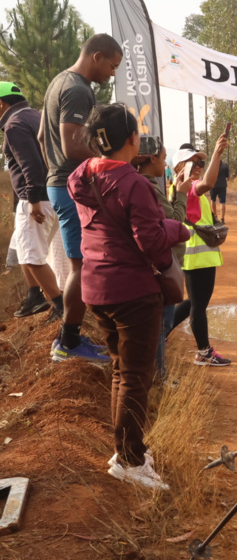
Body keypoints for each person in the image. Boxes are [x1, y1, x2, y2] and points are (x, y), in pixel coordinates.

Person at [67, 104, 190, 491]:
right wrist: (178, 229)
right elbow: (152, 242)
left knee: (122, 372)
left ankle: (125, 450)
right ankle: (131, 460)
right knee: (136, 377)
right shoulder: (134, 183)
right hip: (132, 291)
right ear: (133, 139)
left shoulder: (80, 175)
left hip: (96, 287)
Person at [39, 34, 123, 363]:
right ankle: (67, 342)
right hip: (68, 187)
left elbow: (43, 137)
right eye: (112, 66)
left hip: (61, 184)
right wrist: (113, 155)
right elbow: (72, 145)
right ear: (96, 56)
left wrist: (55, 174)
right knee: (82, 266)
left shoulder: (59, 82)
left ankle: (71, 336)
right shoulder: (77, 89)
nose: (112, 74)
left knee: (82, 263)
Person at [0, 81, 61, 319]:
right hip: (52, 194)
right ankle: (34, 295)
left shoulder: (14, 125)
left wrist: (33, 199)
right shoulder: (34, 116)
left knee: (32, 257)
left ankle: (60, 306)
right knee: (22, 245)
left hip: (36, 199)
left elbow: (31, 165)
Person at [170, 139, 232, 367]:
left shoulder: (180, 187)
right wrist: (217, 153)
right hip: (198, 257)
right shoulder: (189, 187)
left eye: (200, 162)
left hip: (198, 255)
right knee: (198, 305)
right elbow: (208, 182)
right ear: (180, 166)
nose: (198, 166)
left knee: (196, 301)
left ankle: (162, 331)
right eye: (193, 162)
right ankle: (204, 352)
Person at [134, 141, 188, 379]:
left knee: (159, 324)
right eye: (163, 157)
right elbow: (175, 219)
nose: (165, 163)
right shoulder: (149, 187)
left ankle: (158, 373)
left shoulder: (142, 184)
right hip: (161, 266)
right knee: (162, 325)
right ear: (152, 158)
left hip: (152, 266)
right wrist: (183, 194)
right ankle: (159, 376)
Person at [210, 155, 230, 223]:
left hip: (213, 185)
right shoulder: (225, 165)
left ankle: (215, 217)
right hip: (222, 185)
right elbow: (227, 176)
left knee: (213, 200)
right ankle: (222, 218)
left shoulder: (211, 165)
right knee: (222, 202)